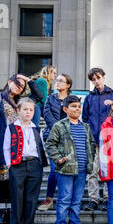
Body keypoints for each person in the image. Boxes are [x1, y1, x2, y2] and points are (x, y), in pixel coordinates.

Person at [0, 73, 38, 224]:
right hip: (0, 142)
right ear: (9, 81)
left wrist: (27, 79)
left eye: (22, 86)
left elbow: (38, 95)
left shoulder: (20, 102)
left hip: (18, 145)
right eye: (16, 82)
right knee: (1, 181)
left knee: (14, 181)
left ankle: (13, 212)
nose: (19, 87)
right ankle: (2, 213)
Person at [45, 95, 96, 224]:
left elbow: (91, 144)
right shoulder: (59, 126)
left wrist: (90, 161)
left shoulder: (86, 127)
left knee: (77, 199)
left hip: (82, 169)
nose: (77, 109)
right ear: (65, 109)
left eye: (79, 107)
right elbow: (50, 144)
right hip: (65, 168)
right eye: (73, 106)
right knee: (64, 198)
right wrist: (57, 159)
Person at [3, 98, 48, 224]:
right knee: (17, 196)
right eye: (25, 109)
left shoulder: (37, 129)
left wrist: (40, 163)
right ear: (18, 110)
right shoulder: (11, 128)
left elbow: (42, 147)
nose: (28, 112)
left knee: (32, 197)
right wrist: (9, 164)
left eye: (31, 110)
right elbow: (6, 147)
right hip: (17, 164)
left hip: (34, 165)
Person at [82, 67, 113, 211]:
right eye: (93, 79)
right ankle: (93, 199)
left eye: (98, 78)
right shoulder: (89, 97)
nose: (96, 81)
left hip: (109, 139)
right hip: (93, 139)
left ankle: (107, 199)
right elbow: (85, 118)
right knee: (92, 170)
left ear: (104, 77)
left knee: (107, 170)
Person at [38, 74, 73, 211]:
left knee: (68, 169)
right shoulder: (50, 99)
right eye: (57, 80)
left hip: (68, 138)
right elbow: (47, 115)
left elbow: (75, 116)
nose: (57, 83)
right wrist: (59, 129)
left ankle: (66, 199)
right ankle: (49, 198)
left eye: (61, 81)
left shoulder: (72, 100)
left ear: (68, 85)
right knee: (54, 169)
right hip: (52, 137)